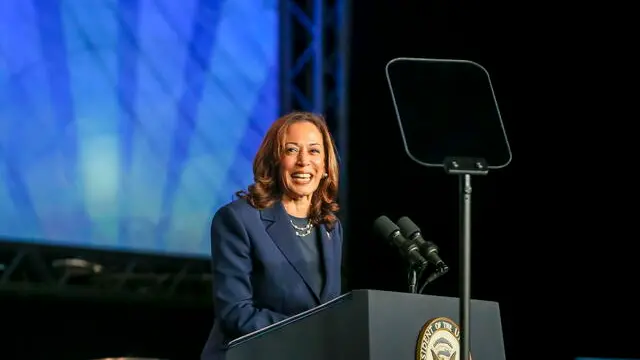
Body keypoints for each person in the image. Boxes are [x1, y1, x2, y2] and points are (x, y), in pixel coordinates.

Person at [200, 111, 344, 360]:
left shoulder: (330, 227)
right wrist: (307, 334)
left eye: (314, 151)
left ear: (325, 167)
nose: (303, 161)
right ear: (274, 160)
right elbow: (236, 313)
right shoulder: (239, 219)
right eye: (291, 150)